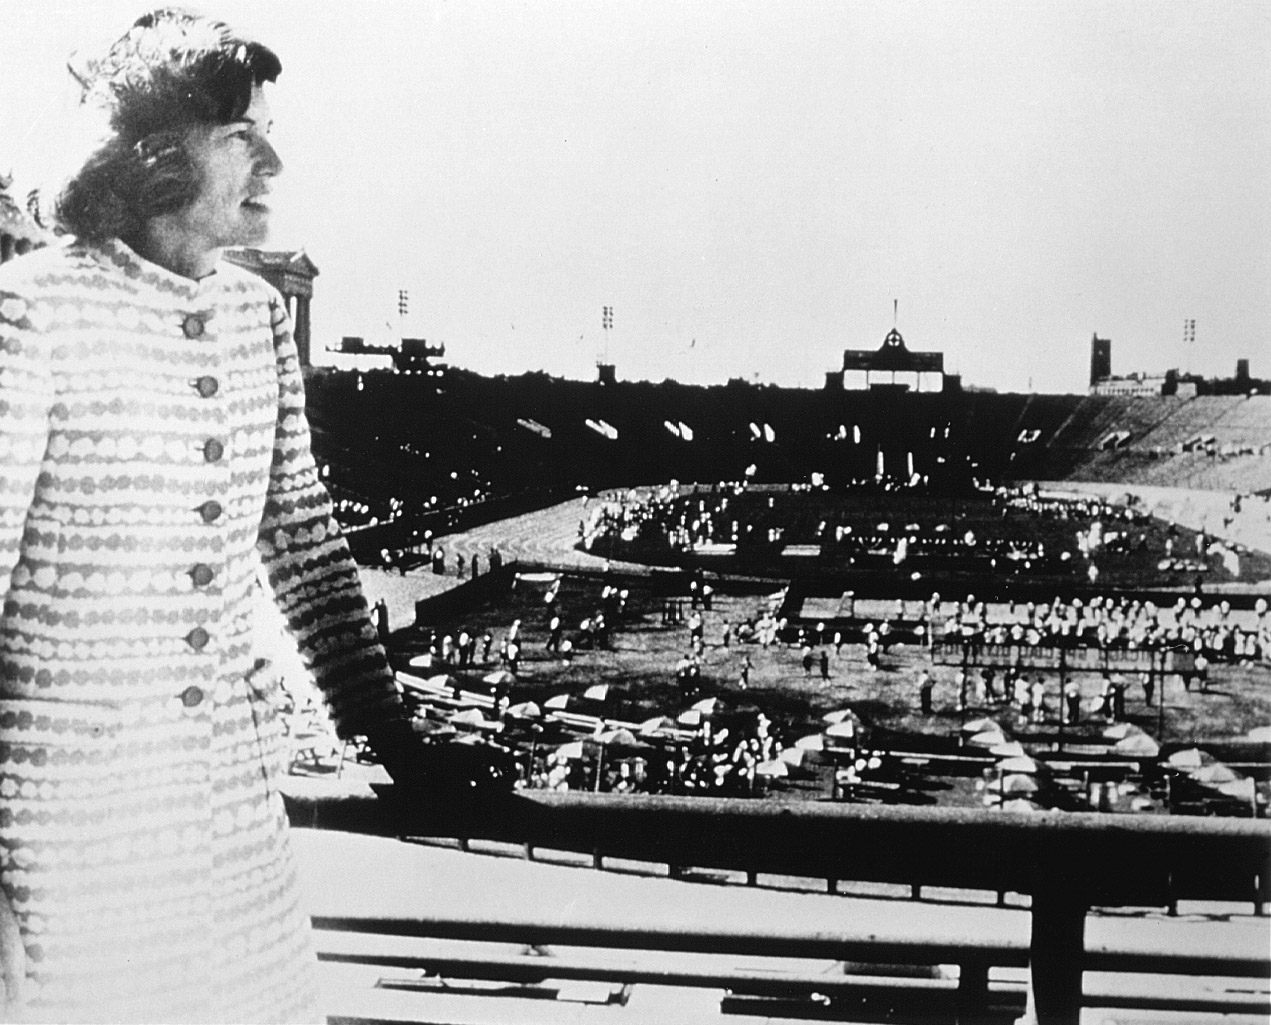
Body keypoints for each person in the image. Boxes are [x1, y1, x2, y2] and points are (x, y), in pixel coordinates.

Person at [0, 10, 440, 1020]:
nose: (274, 158)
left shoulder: (254, 319)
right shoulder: (30, 313)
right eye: (245, 133)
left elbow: (305, 550)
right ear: (156, 148)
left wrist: (398, 740)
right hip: (67, 849)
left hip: (236, 836)